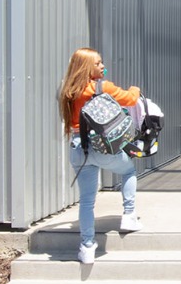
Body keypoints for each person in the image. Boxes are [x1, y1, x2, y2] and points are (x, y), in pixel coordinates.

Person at [58, 47, 143, 264]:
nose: (102, 66)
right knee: (128, 170)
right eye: (97, 63)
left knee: (87, 201)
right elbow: (130, 99)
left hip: (79, 148)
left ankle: (87, 246)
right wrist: (135, 88)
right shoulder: (102, 87)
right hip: (102, 147)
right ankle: (129, 216)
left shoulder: (67, 91)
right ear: (86, 67)